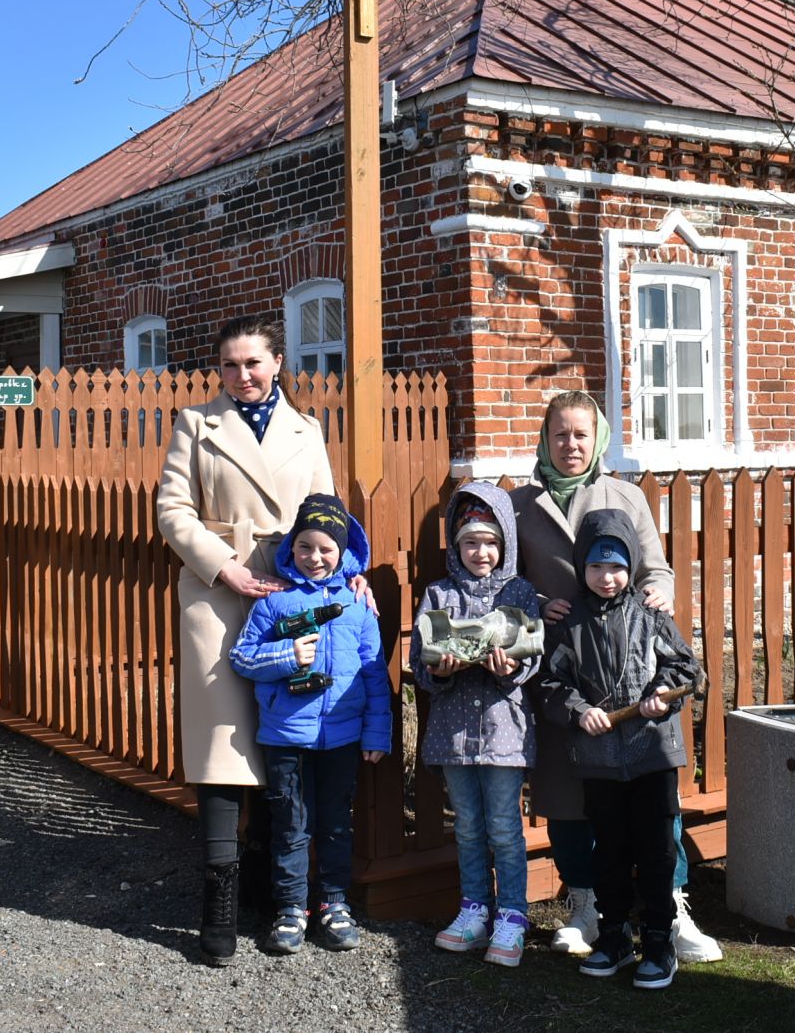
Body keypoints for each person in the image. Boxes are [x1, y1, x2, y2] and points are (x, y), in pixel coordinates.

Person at [154, 315, 368, 966]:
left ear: (277, 361)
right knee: (222, 748)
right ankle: (218, 903)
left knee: (286, 737)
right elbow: (171, 511)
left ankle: (276, 892)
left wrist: (350, 575)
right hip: (221, 596)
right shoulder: (195, 424)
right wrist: (224, 565)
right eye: (230, 364)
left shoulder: (307, 431)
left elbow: (328, 513)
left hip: (296, 594)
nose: (243, 375)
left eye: (254, 362)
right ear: (218, 370)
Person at [511, 390, 721, 963]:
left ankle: (671, 906)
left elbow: (656, 567)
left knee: (654, 800)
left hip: (631, 665)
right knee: (569, 795)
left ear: (597, 438)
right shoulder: (520, 506)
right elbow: (506, 579)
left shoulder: (625, 496)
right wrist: (532, 601)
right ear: (545, 438)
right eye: (560, 434)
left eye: (581, 434)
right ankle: (585, 905)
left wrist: (659, 590)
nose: (570, 445)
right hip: (566, 670)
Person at [538, 509, 703, 990]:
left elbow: (687, 671)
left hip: (652, 754)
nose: (606, 577)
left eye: (616, 566)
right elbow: (550, 682)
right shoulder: (569, 624)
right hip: (599, 761)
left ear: (631, 566)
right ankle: (613, 937)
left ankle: (657, 940)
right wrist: (576, 709)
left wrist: (661, 692)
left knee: (655, 851)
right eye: (595, 567)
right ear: (580, 568)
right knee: (607, 851)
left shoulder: (652, 616)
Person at [230, 493, 391, 955]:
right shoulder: (275, 603)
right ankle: (290, 909)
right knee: (292, 824)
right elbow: (242, 657)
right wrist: (285, 657)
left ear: (343, 551)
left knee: (337, 824)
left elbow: (374, 673)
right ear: (291, 549)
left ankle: (334, 904)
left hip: (343, 736)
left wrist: (377, 733)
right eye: (305, 547)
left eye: (325, 549)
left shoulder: (359, 605)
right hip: (287, 736)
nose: (315, 557)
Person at [411, 482, 542, 968]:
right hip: (454, 733)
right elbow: (420, 662)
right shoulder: (439, 594)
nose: (480, 552)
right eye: (470, 542)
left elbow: (533, 654)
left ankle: (512, 914)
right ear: (455, 544)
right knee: (466, 827)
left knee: (505, 827)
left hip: (505, 730)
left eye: (490, 542)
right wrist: (438, 668)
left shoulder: (519, 592)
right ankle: (473, 909)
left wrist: (512, 667)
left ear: (504, 544)